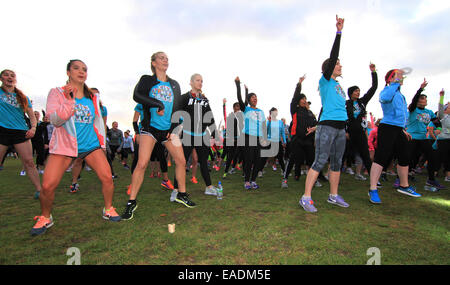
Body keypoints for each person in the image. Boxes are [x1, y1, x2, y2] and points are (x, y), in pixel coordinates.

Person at [31, 59, 121, 236]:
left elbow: (97, 121)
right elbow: (55, 120)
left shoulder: (93, 97)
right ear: (68, 72)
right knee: (48, 186)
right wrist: (69, 100)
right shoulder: (57, 93)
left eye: (84, 69)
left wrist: (101, 144)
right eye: (76, 68)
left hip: (91, 144)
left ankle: (108, 209)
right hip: (65, 146)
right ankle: (45, 217)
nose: (81, 72)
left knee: (107, 177)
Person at [122, 51, 196, 221]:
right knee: (142, 163)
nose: (165, 60)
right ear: (154, 63)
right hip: (150, 128)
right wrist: (157, 103)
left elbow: (178, 108)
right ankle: (131, 201)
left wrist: (172, 127)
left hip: (168, 130)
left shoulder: (174, 84)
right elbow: (137, 95)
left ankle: (181, 194)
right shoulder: (147, 80)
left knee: (181, 160)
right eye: (161, 58)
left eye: (167, 58)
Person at [299, 16, 349, 213]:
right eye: (337, 63)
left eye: (340, 63)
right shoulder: (325, 80)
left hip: (340, 127)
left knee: (337, 163)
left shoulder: (337, 85)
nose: (340, 65)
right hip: (327, 126)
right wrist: (338, 33)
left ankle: (333, 195)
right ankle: (306, 197)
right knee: (320, 161)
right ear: (329, 68)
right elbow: (333, 53)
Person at [367, 69, 423, 205]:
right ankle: (372, 189)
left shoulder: (399, 94)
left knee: (405, 157)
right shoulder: (387, 90)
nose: (401, 78)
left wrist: (403, 130)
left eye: (401, 76)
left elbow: (402, 115)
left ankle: (404, 185)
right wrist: (394, 83)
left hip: (398, 129)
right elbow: (384, 99)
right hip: (387, 128)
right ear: (390, 79)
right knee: (381, 157)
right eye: (397, 76)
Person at [173, 73, 220, 196]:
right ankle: (176, 190)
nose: (200, 83)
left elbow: (210, 117)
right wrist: (174, 131)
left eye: (202, 81)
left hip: (202, 136)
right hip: (187, 135)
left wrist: (215, 133)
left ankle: (208, 187)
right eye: (198, 80)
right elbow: (175, 114)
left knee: (203, 162)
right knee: (181, 163)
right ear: (191, 82)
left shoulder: (204, 100)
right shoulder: (184, 98)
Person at [0, 69, 42, 199]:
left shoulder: (22, 97)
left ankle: (40, 190)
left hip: (20, 132)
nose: (9, 77)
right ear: (1, 79)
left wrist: (33, 128)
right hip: (2, 131)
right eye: (6, 75)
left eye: (12, 75)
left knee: (29, 162)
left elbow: (31, 115)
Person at [406, 80, 445, 190]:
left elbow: (436, 121)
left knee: (432, 157)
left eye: (425, 99)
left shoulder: (429, 111)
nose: (425, 100)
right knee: (408, 158)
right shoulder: (413, 109)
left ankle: (431, 180)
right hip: (412, 137)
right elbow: (414, 100)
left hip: (423, 138)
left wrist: (439, 128)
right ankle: (401, 178)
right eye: (422, 99)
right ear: (418, 101)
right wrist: (421, 89)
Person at [283, 76, 318, 188]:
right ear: (298, 101)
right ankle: (285, 179)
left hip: (308, 140)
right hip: (297, 139)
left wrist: (313, 128)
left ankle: (314, 180)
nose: (304, 100)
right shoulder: (295, 110)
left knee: (311, 160)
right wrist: (299, 84)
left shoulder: (309, 112)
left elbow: (315, 123)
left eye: (305, 98)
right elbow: (294, 98)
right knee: (293, 158)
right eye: (302, 98)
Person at [345, 63, 378, 181]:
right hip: (349, 134)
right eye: (355, 91)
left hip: (360, 133)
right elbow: (343, 118)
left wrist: (373, 72)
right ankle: (334, 175)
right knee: (344, 154)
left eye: (359, 91)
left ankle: (373, 179)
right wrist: (345, 131)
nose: (358, 93)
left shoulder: (362, 102)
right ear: (351, 93)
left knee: (366, 156)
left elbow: (373, 88)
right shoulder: (346, 104)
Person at [235, 76, 267, 190]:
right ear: (249, 100)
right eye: (252, 97)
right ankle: (247, 181)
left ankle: (253, 180)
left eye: (256, 97)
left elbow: (264, 126)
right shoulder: (246, 109)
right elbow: (239, 98)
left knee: (258, 160)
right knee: (248, 160)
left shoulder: (261, 111)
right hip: (248, 137)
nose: (255, 98)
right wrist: (237, 84)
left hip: (258, 138)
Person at [436, 90, 450, 182]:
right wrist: (441, 97)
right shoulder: (442, 116)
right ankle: (434, 172)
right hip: (443, 139)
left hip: (449, 139)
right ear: (445, 109)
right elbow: (440, 107)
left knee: (449, 157)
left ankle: (448, 175)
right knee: (441, 157)